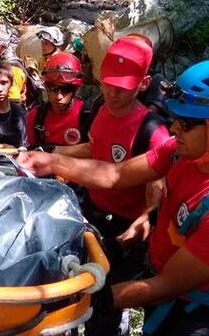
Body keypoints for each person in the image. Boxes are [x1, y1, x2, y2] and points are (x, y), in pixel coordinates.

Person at [18, 59, 209, 335]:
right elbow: (116, 174)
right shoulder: (183, 151)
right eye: (174, 118)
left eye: (185, 123)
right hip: (162, 285)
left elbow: (166, 284)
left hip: (197, 317)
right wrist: (52, 162)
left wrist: (88, 298)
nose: (173, 128)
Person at [53, 36, 170, 335]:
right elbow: (96, 149)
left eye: (123, 87)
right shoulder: (100, 109)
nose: (112, 92)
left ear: (143, 84)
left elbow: (155, 191)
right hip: (91, 216)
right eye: (108, 83)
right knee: (77, 288)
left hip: (122, 233)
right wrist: (52, 153)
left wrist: (143, 225)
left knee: (104, 310)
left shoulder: (152, 132)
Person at [26, 52, 85, 149]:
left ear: (75, 89)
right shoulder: (36, 116)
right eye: (52, 88)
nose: (59, 96)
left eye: (66, 89)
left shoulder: (87, 115)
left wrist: (51, 151)